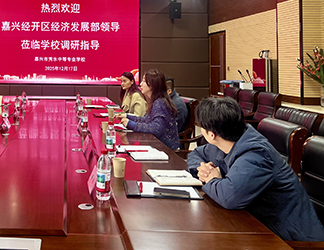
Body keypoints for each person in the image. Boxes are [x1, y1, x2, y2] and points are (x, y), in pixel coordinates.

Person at [187, 97, 324, 242]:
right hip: (257, 225)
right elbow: (196, 154)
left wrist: (211, 179)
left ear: (211, 135)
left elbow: (229, 197)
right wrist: (203, 169)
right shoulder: (227, 141)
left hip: (289, 238)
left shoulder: (256, 155)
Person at [117, 69, 179, 150]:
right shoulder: (155, 101)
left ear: (152, 85)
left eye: (144, 81)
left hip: (165, 150)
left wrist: (131, 124)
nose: (140, 84)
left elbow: (156, 129)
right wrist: (127, 117)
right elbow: (146, 120)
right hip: (157, 146)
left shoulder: (160, 103)